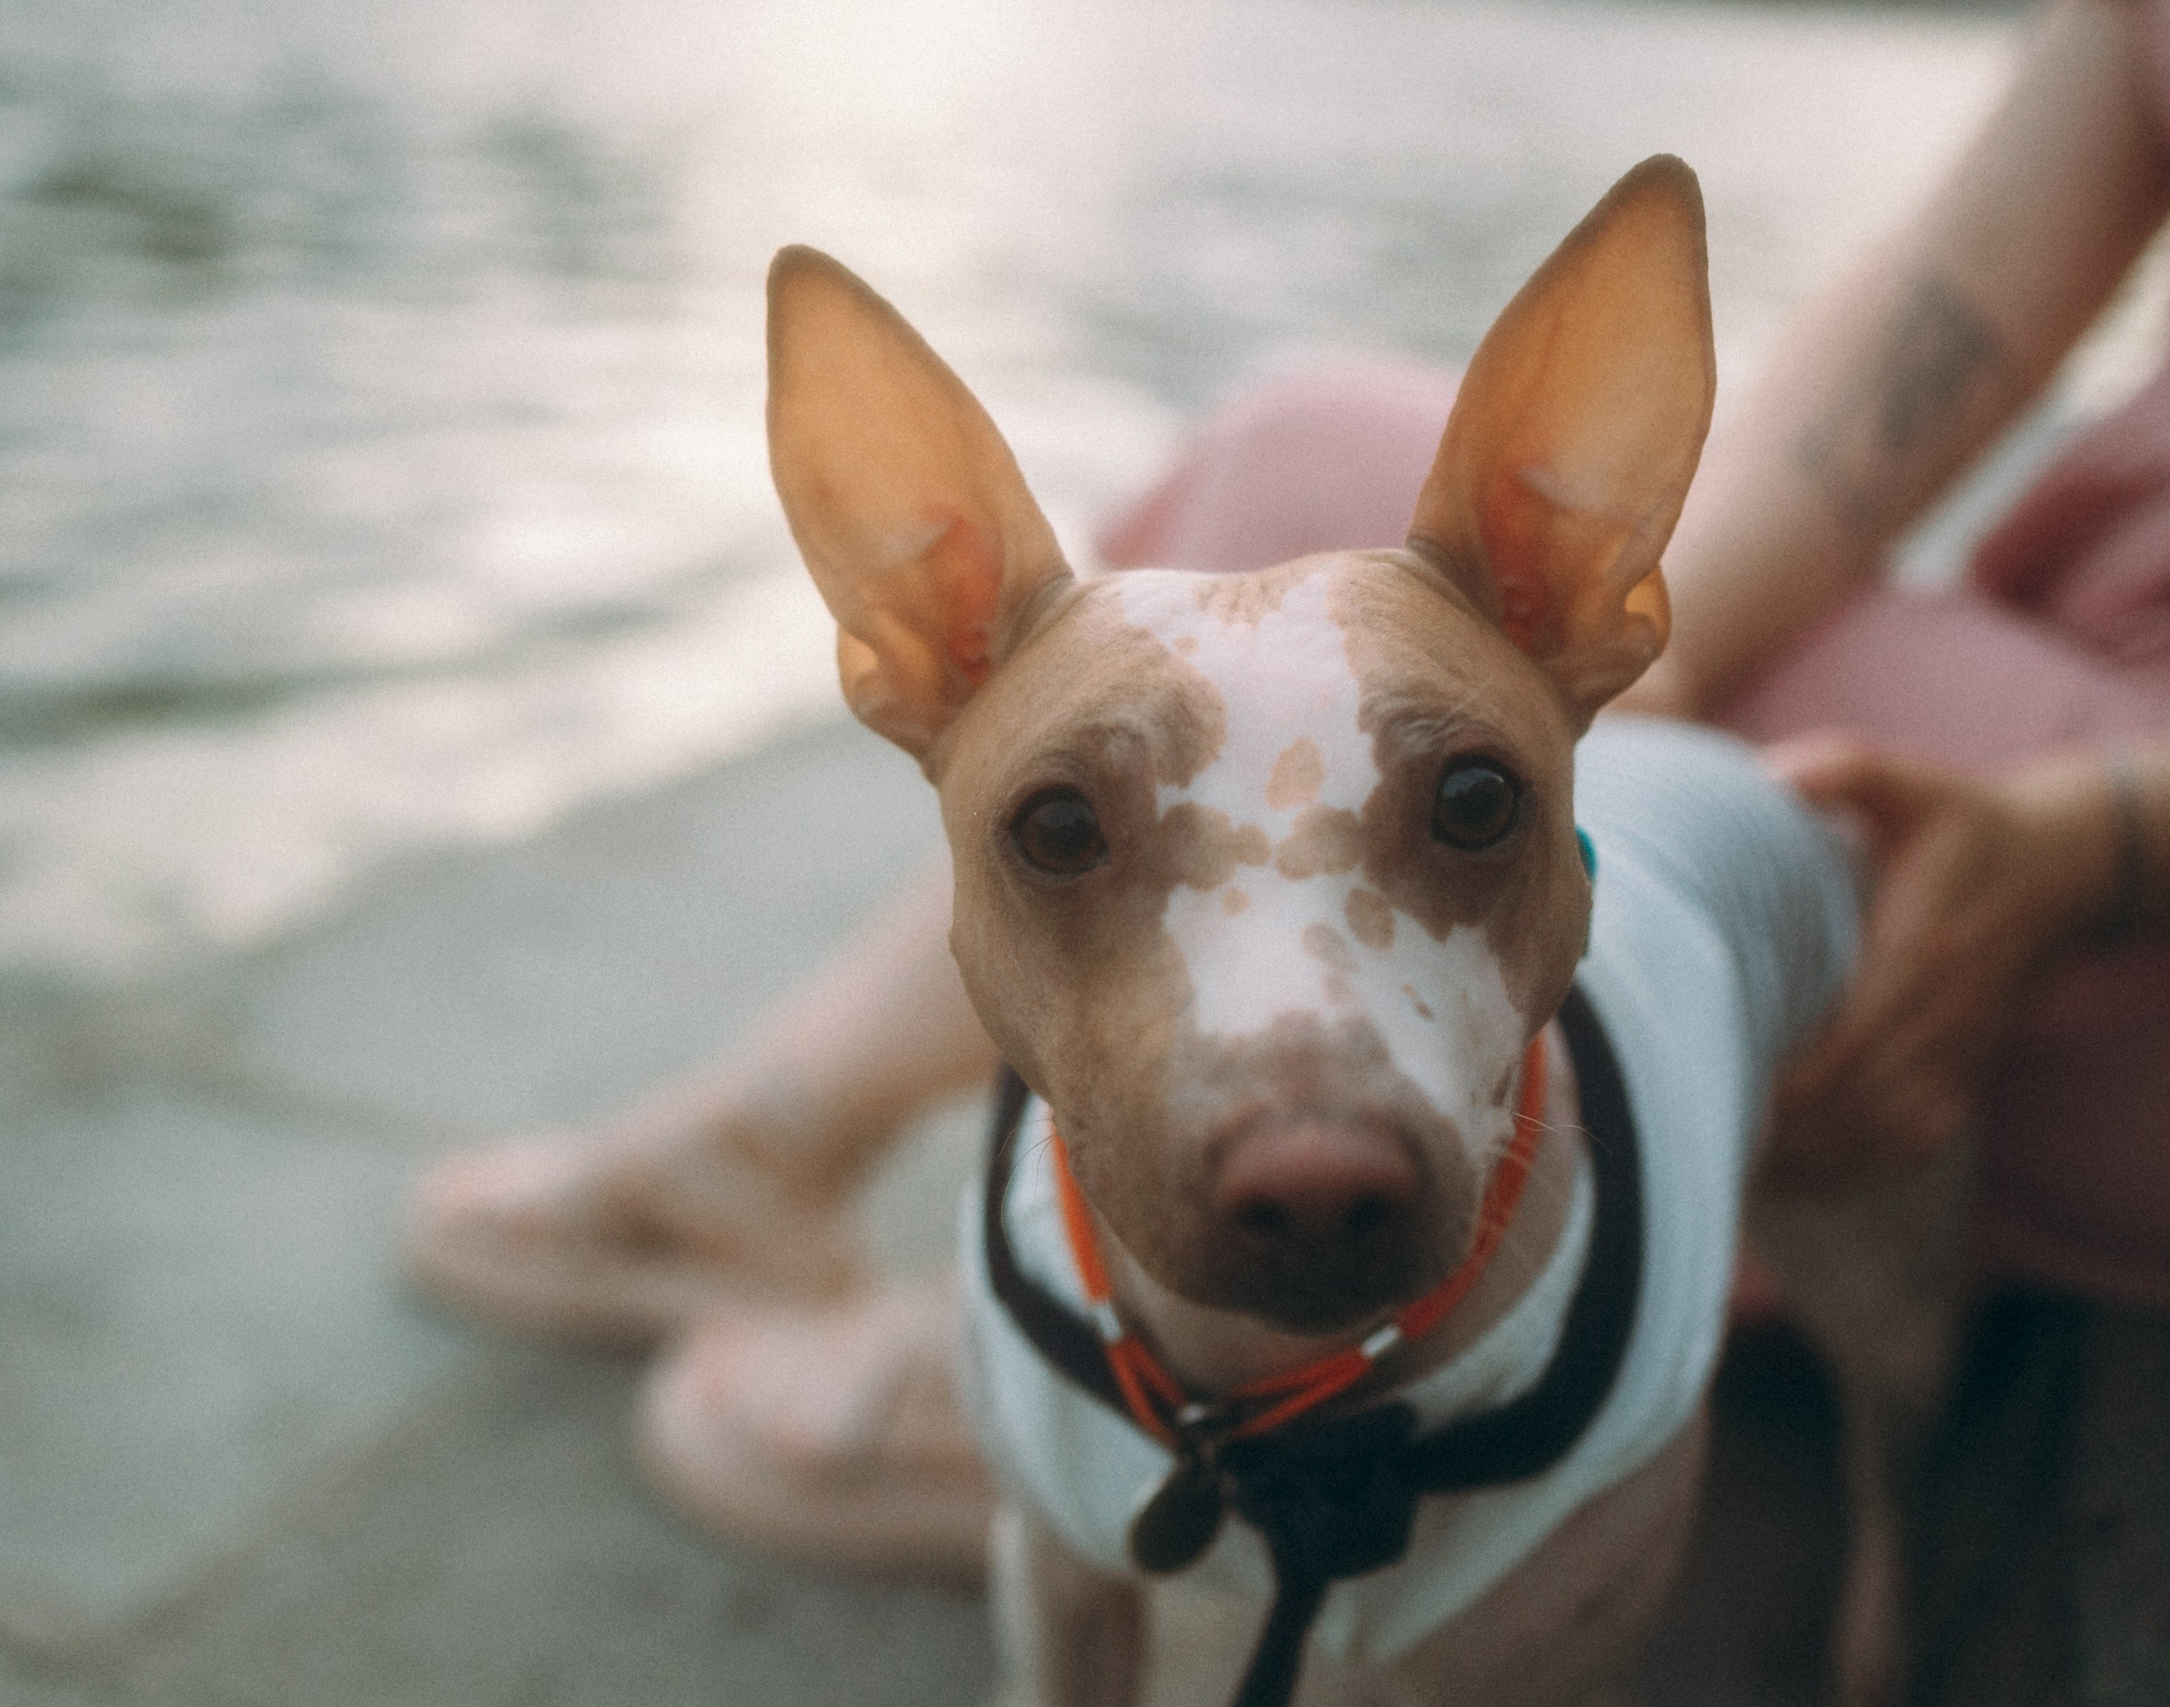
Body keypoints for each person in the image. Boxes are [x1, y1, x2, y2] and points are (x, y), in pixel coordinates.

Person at [408, 0, 2170, 1688]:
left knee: (1896, 1349)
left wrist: (2094, 832)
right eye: (1063, 832)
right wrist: (1593, 643)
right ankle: (932, 1308)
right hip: (2059, 643)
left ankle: (1888, 1532)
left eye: (1472, 813)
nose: (1307, 1137)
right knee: (1304, 449)